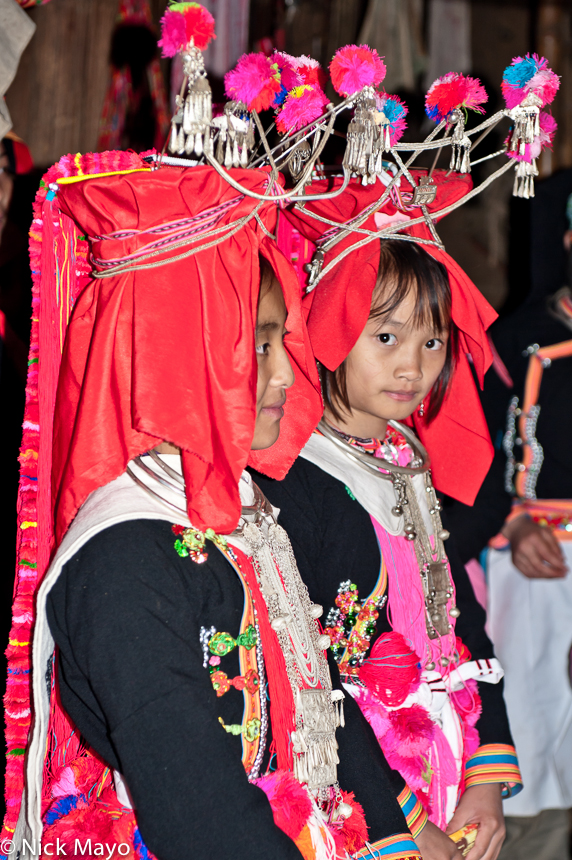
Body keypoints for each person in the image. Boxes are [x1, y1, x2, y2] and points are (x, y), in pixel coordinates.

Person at [2, 146, 429, 860]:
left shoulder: (241, 508)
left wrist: (393, 837)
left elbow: (315, 698)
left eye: (277, 344)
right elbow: (202, 817)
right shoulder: (123, 563)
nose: (286, 377)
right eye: (255, 347)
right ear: (174, 354)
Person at [252, 178, 523, 860]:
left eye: (433, 343)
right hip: (353, 799)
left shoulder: (405, 456)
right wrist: (400, 819)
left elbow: (455, 616)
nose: (412, 365)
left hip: (443, 780)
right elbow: (305, 675)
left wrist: (486, 776)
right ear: (331, 326)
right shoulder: (295, 480)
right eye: (386, 336)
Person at [483, 170, 572, 860]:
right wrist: (510, 525)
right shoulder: (514, 342)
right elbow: (468, 458)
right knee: (533, 712)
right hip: (531, 559)